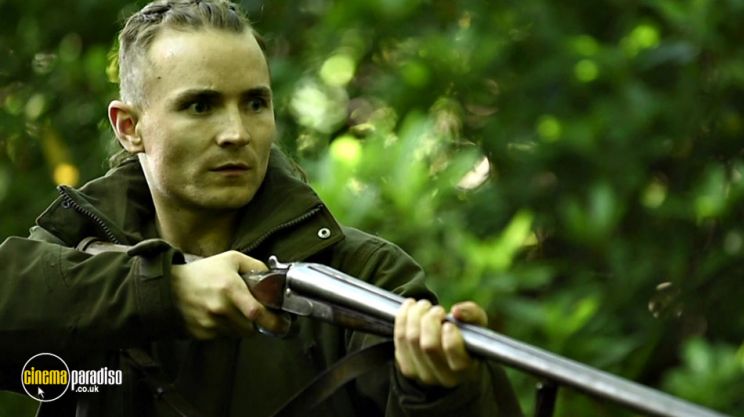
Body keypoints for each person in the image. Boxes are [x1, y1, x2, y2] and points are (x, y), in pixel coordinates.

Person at [0, 1, 522, 416]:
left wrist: (442, 390)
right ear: (129, 127)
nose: (237, 133)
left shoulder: (366, 273)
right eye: (200, 105)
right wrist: (164, 291)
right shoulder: (72, 256)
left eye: (255, 103)